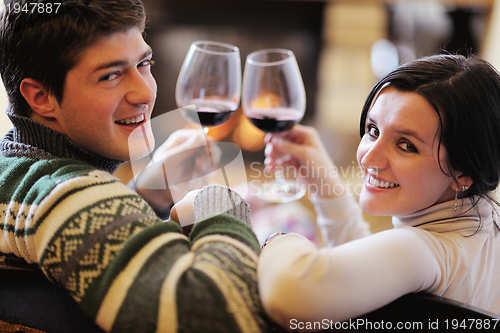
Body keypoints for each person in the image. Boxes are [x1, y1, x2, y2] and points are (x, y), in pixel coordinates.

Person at [0, 1, 269, 332]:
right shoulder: (66, 195)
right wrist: (219, 206)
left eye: (144, 63)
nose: (145, 92)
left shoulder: (16, 170)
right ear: (40, 97)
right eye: (110, 75)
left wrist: (144, 194)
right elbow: (216, 318)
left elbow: (75, 226)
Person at [258, 54, 500, 328]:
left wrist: (274, 237)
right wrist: (322, 180)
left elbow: (289, 294)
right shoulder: (484, 232)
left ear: (463, 172)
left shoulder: (424, 251)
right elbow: (374, 269)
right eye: (373, 130)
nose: (368, 159)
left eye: (406, 145)